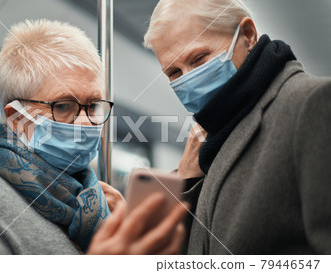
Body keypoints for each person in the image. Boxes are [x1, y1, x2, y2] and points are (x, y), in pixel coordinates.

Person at [0, 19, 187, 255]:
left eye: (94, 105)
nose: (87, 121)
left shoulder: (97, 201)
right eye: (63, 106)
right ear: (17, 119)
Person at [90, 0, 331, 254]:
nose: (189, 79)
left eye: (199, 58)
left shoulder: (311, 104)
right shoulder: (215, 135)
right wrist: (183, 182)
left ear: (248, 35)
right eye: (173, 73)